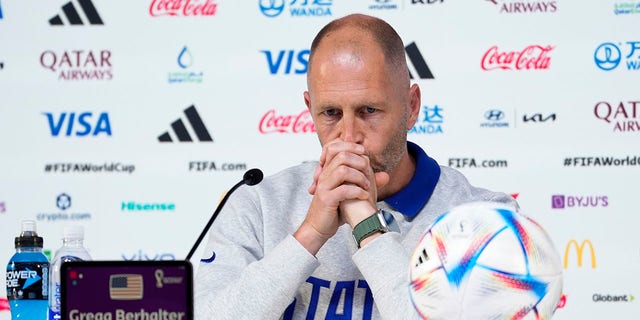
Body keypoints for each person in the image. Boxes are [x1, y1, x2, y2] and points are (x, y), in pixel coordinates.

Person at [195, 13, 517, 319]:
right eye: (331, 113)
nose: (349, 138)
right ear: (310, 108)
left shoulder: (484, 218)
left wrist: (368, 226)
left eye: (369, 110)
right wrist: (309, 235)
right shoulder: (258, 205)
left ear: (411, 106)